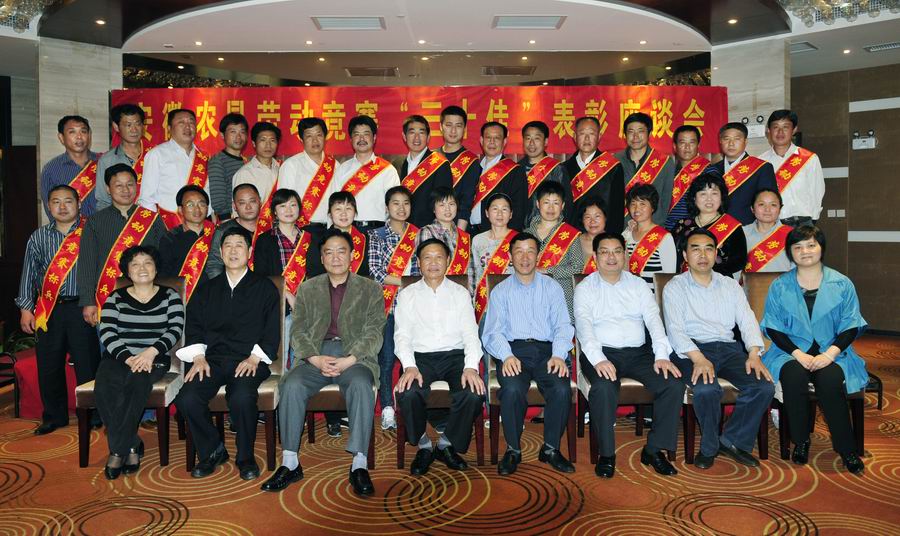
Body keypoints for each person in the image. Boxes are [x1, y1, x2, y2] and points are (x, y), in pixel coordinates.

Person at [261, 228, 385, 495]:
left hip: (355, 357)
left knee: (361, 385)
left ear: (352, 256)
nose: (335, 257)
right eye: (329, 252)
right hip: (316, 356)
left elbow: (375, 331)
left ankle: (359, 464)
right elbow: (298, 331)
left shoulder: (371, 288)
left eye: (341, 251)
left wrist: (350, 359)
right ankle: (290, 462)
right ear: (321, 257)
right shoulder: (308, 288)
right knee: (291, 385)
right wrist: (314, 358)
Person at [174, 226, 280, 480]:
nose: (233, 251)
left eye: (239, 245)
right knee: (187, 398)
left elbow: (271, 330)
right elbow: (194, 326)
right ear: (220, 253)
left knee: (242, 397)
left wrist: (255, 357)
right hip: (212, 360)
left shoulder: (264, 287)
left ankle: (245, 457)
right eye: (228, 246)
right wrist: (198, 357)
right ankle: (212, 450)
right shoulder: (207, 289)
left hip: (249, 359)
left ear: (249, 252)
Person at [574, 232, 684, 478]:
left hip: (639, 354)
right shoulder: (585, 288)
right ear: (595, 257)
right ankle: (607, 454)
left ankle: (653, 450)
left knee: (673, 385)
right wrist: (599, 359)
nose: (611, 257)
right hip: (602, 352)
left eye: (617, 251)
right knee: (604, 388)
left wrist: (662, 355)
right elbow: (584, 328)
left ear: (625, 255)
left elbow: (654, 320)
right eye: (604, 252)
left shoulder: (638, 285)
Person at [664, 228, 775, 469]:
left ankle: (732, 440)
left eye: (709, 249)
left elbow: (747, 320)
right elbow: (675, 330)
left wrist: (754, 353)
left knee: (763, 386)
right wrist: (698, 358)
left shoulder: (730, 285)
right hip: (691, 350)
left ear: (716, 254)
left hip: (728, 349)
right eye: (695, 249)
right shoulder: (675, 286)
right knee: (706, 390)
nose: (703, 255)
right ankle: (710, 446)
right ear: (685, 255)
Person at [760, 225, 866, 474]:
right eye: (797, 247)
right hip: (789, 352)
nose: (805, 251)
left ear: (821, 248)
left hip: (834, 353)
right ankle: (801, 441)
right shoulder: (780, 286)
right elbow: (773, 327)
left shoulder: (842, 283)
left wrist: (830, 354)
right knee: (793, 378)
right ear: (790, 252)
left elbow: (851, 325)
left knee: (830, 382)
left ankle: (847, 449)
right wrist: (797, 354)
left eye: (811, 245)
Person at [482, 232, 575, 476]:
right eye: (519, 252)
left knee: (561, 388)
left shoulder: (552, 287)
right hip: (514, 351)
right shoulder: (501, 291)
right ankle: (513, 449)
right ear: (510, 257)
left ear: (538, 255)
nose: (525, 258)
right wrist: (506, 356)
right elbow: (492, 332)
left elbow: (563, 326)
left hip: (547, 352)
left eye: (530, 251)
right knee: (512, 389)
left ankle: (551, 448)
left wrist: (558, 354)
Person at [394, 238, 485, 475]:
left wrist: (471, 367)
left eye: (438, 257)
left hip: (455, 357)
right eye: (427, 257)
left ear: (447, 261)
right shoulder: (407, 294)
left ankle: (446, 445)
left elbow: (470, 333)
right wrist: (409, 366)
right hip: (420, 358)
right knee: (408, 393)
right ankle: (423, 444)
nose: (433, 263)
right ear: (419, 262)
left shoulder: (460, 293)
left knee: (473, 393)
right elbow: (402, 336)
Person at [94, 245, 184, 479]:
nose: (142, 268)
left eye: (147, 263)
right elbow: (107, 333)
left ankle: (118, 451)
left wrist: (149, 353)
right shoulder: (115, 297)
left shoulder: (170, 296)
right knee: (104, 388)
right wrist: (128, 357)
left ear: (156, 268)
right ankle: (132, 444)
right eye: (135, 264)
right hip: (118, 357)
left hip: (154, 358)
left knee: (137, 384)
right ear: (127, 271)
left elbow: (174, 329)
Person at [16, 185, 101, 435]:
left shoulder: (91, 231)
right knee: (49, 364)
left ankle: (93, 413)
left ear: (79, 204)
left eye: (68, 201)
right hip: (48, 308)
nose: (62, 207)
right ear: (48, 205)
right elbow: (29, 273)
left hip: (83, 307)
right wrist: (25, 308)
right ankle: (54, 416)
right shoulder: (38, 237)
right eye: (56, 202)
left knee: (87, 363)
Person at [78, 164, 167, 329]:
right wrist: (88, 301)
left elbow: (163, 259)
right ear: (108, 189)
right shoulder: (95, 222)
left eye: (130, 184)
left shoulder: (152, 219)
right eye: (119, 185)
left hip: (149, 298)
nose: (125, 190)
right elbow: (87, 264)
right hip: (108, 300)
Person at [368, 186, 420, 431]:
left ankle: (409, 405)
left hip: (415, 307)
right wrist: (405, 282)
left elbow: (425, 269)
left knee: (413, 356)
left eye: (406, 203)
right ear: (387, 207)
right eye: (395, 203)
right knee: (387, 358)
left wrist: (411, 283)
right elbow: (376, 272)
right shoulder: (376, 235)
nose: (401, 208)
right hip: (387, 306)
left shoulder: (419, 235)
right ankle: (388, 407)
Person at [253, 188, 322, 370]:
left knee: (304, 358)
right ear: (274, 212)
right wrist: (289, 295)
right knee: (281, 357)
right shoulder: (265, 240)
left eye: (293, 205)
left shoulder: (311, 238)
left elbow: (318, 273)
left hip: (309, 305)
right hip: (278, 304)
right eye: (282, 206)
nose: (289, 210)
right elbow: (262, 276)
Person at [139, 109, 212, 230]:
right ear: (169, 128)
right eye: (181, 122)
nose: (187, 127)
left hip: (201, 226)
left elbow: (209, 192)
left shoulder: (204, 157)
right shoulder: (157, 154)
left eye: (191, 122)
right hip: (168, 226)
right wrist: (156, 227)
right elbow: (147, 198)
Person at [334, 115, 401, 232]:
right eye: (357, 134)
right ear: (351, 139)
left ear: (374, 138)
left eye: (366, 134)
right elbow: (334, 204)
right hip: (349, 230)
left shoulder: (388, 170)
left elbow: (395, 205)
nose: (361, 139)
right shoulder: (342, 169)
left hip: (379, 230)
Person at [671, 175, 747, 278]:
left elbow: (739, 261)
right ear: (694, 198)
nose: (709, 199)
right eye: (703, 194)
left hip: (719, 282)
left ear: (722, 197)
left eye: (714, 193)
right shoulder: (682, 225)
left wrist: (706, 274)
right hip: (684, 282)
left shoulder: (733, 226)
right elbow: (672, 257)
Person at [527, 181, 583, 318]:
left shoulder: (571, 234)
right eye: (546, 202)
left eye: (556, 203)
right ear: (538, 204)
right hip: (531, 297)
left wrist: (548, 270)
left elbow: (577, 267)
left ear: (562, 206)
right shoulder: (526, 234)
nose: (551, 208)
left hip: (562, 297)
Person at [760, 110, 825, 227]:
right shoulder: (760, 161)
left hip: (803, 223)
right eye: (776, 127)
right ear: (769, 130)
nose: (780, 132)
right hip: (773, 224)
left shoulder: (809, 159)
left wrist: (812, 220)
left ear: (794, 130)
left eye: (785, 127)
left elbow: (817, 191)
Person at [562, 116, 625, 234]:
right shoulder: (564, 169)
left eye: (591, 133)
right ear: (575, 137)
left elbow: (617, 209)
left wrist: (612, 237)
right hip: (572, 236)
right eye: (582, 133)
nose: (586, 138)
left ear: (599, 137)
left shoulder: (613, 167)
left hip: (603, 237)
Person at [278, 117, 339, 230]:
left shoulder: (335, 165)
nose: (315, 141)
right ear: (301, 140)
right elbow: (283, 201)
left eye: (319, 135)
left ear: (325, 137)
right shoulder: (291, 165)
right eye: (309, 136)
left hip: (331, 228)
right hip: (302, 228)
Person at [710, 122, 777, 225]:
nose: (731, 143)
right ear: (720, 141)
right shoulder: (712, 170)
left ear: (745, 142)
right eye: (726, 139)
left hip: (748, 228)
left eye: (737, 139)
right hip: (717, 227)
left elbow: (769, 202)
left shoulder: (762, 168)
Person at [615, 113, 675, 226]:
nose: (635, 136)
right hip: (621, 227)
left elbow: (666, 200)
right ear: (625, 135)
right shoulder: (615, 161)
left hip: (652, 229)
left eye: (640, 131)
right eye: (631, 132)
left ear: (649, 134)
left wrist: (655, 227)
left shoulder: (665, 162)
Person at [469, 122, 528, 234]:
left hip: (497, 235)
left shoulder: (514, 171)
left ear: (504, 142)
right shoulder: (474, 168)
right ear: (481, 140)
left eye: (497, 138)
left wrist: (507, 238)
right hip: (470, 233)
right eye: (488, 137)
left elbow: (519, 210)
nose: (492, 142)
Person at [158, 185, 215, 301]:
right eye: (190, 205)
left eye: (201, 204)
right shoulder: (170, 238)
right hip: (184, 299)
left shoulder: (217, 233)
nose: (197, 209)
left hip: (215, 295)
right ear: (180, 210)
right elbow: (164, 274)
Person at [398, 114, 454, 228]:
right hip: (404, 229)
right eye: (412, 132)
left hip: (430, 230)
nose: (416, 138)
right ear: (404, 136)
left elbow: (443, 203)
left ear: (428, 137)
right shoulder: (400, 164)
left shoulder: (440, 164)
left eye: (421, 133)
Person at [470, 193, 517, 321]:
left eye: (504, 209)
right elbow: (475, 273)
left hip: (513, 302)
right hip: (485, 303)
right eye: (495, 209)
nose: (499, 214)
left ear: (511, 214)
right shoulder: (478, 240)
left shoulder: (518, 240)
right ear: (487, 213)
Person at [41, 115, 99, 219]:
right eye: (72, 132)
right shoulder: (51, 170)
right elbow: (52, 211)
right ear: (61, 137)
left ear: (89, 135)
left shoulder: (103, 162)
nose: (79, 136)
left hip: (105, 226)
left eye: (83, 131)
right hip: (71, 229)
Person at [622, 185, 676, 292]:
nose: (637, 209)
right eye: (633, 204)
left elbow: (669, 278)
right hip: (629, 296)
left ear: (652, 207)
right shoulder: (626, 234)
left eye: (642, 204)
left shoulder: (664, 237)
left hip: (654, 298)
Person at [96, 104, 149, 212]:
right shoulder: (107, 160)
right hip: (121, 219)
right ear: (116, 127)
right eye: (128, 125)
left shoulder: (155, 154)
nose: (134, 130)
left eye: (138, 124)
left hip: (153, 218)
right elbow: (103, 200)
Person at [519, 121, 570, 227]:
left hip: (550, 230)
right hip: (520, 231)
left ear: (545, 141)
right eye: (528, 138)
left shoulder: (557, 169)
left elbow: (566, 204)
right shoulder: (516, 169)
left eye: (537, 138)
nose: (531, 143)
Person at [437, 105, 479, 230]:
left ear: (464, 129)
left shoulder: (471, 161)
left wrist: (459, 234)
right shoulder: (432, 157)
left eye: (458, 126)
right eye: (449, 125)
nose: (453, 131)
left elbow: (467, 202)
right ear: (441, 127)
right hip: (430, 226)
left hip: (455, 227)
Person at [206, 183, 260, 278]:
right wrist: (223, 286)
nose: (248, 207)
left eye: (252, 201)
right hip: (232, 282)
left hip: (264, 283)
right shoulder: (223, 230)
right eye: (242, 203)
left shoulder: (270, 227)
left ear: (260, 202)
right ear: (234, 206)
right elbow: (214, 265)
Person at [665, 125, 712, 230]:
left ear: (698, 145)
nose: (687, 147)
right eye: (682, 142)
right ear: (675, 146)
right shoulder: (667, 171)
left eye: (692, 142)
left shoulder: (709, 171)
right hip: (667, 228)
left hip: (696, 229)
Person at [416, 187, 470, 275]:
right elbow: (425, 266)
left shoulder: (464, 236)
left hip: (462, 283)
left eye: (451, 204)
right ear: (433, 209)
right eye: (442, 205)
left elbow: (470, 269)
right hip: (435, 282)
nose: (447, 209)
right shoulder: (427, 232)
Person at [208, 113, 249, 220]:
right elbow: (218, 197)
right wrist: (226, 221)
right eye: (233, 132)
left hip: (247, 218)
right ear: (222, 135)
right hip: (230, 220)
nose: (238, 137)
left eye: (242, 132)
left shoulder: (246, 161)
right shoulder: (218, 161)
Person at [742, 188, 793, 273]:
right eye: (761, 204)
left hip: (784, 281)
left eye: (773, 205)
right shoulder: (741, 233)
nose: (767, 209)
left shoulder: (792, 234)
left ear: (780, 209)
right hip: (749, 282)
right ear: (752, 208)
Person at [231, 122, 281, 205]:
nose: (268, 145)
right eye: (263, 140)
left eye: (272, 140)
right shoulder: (244, 174)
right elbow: (239, 206)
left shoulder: (282, 169)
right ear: (254, 143)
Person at [327, 191, 370, 276]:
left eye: (348, 208)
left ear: (355, 213)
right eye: (338, 209)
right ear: (330, 214)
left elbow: (369, 271)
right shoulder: (320, 239)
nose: (343, 213)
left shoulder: (366, 239)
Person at [576, 197, 607, 274]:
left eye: (597, 216)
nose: (592, 221)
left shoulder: (616, 242)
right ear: (582, 220)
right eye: (588, 217)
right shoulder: (574, 241)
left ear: (605, 217)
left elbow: (624, 274)